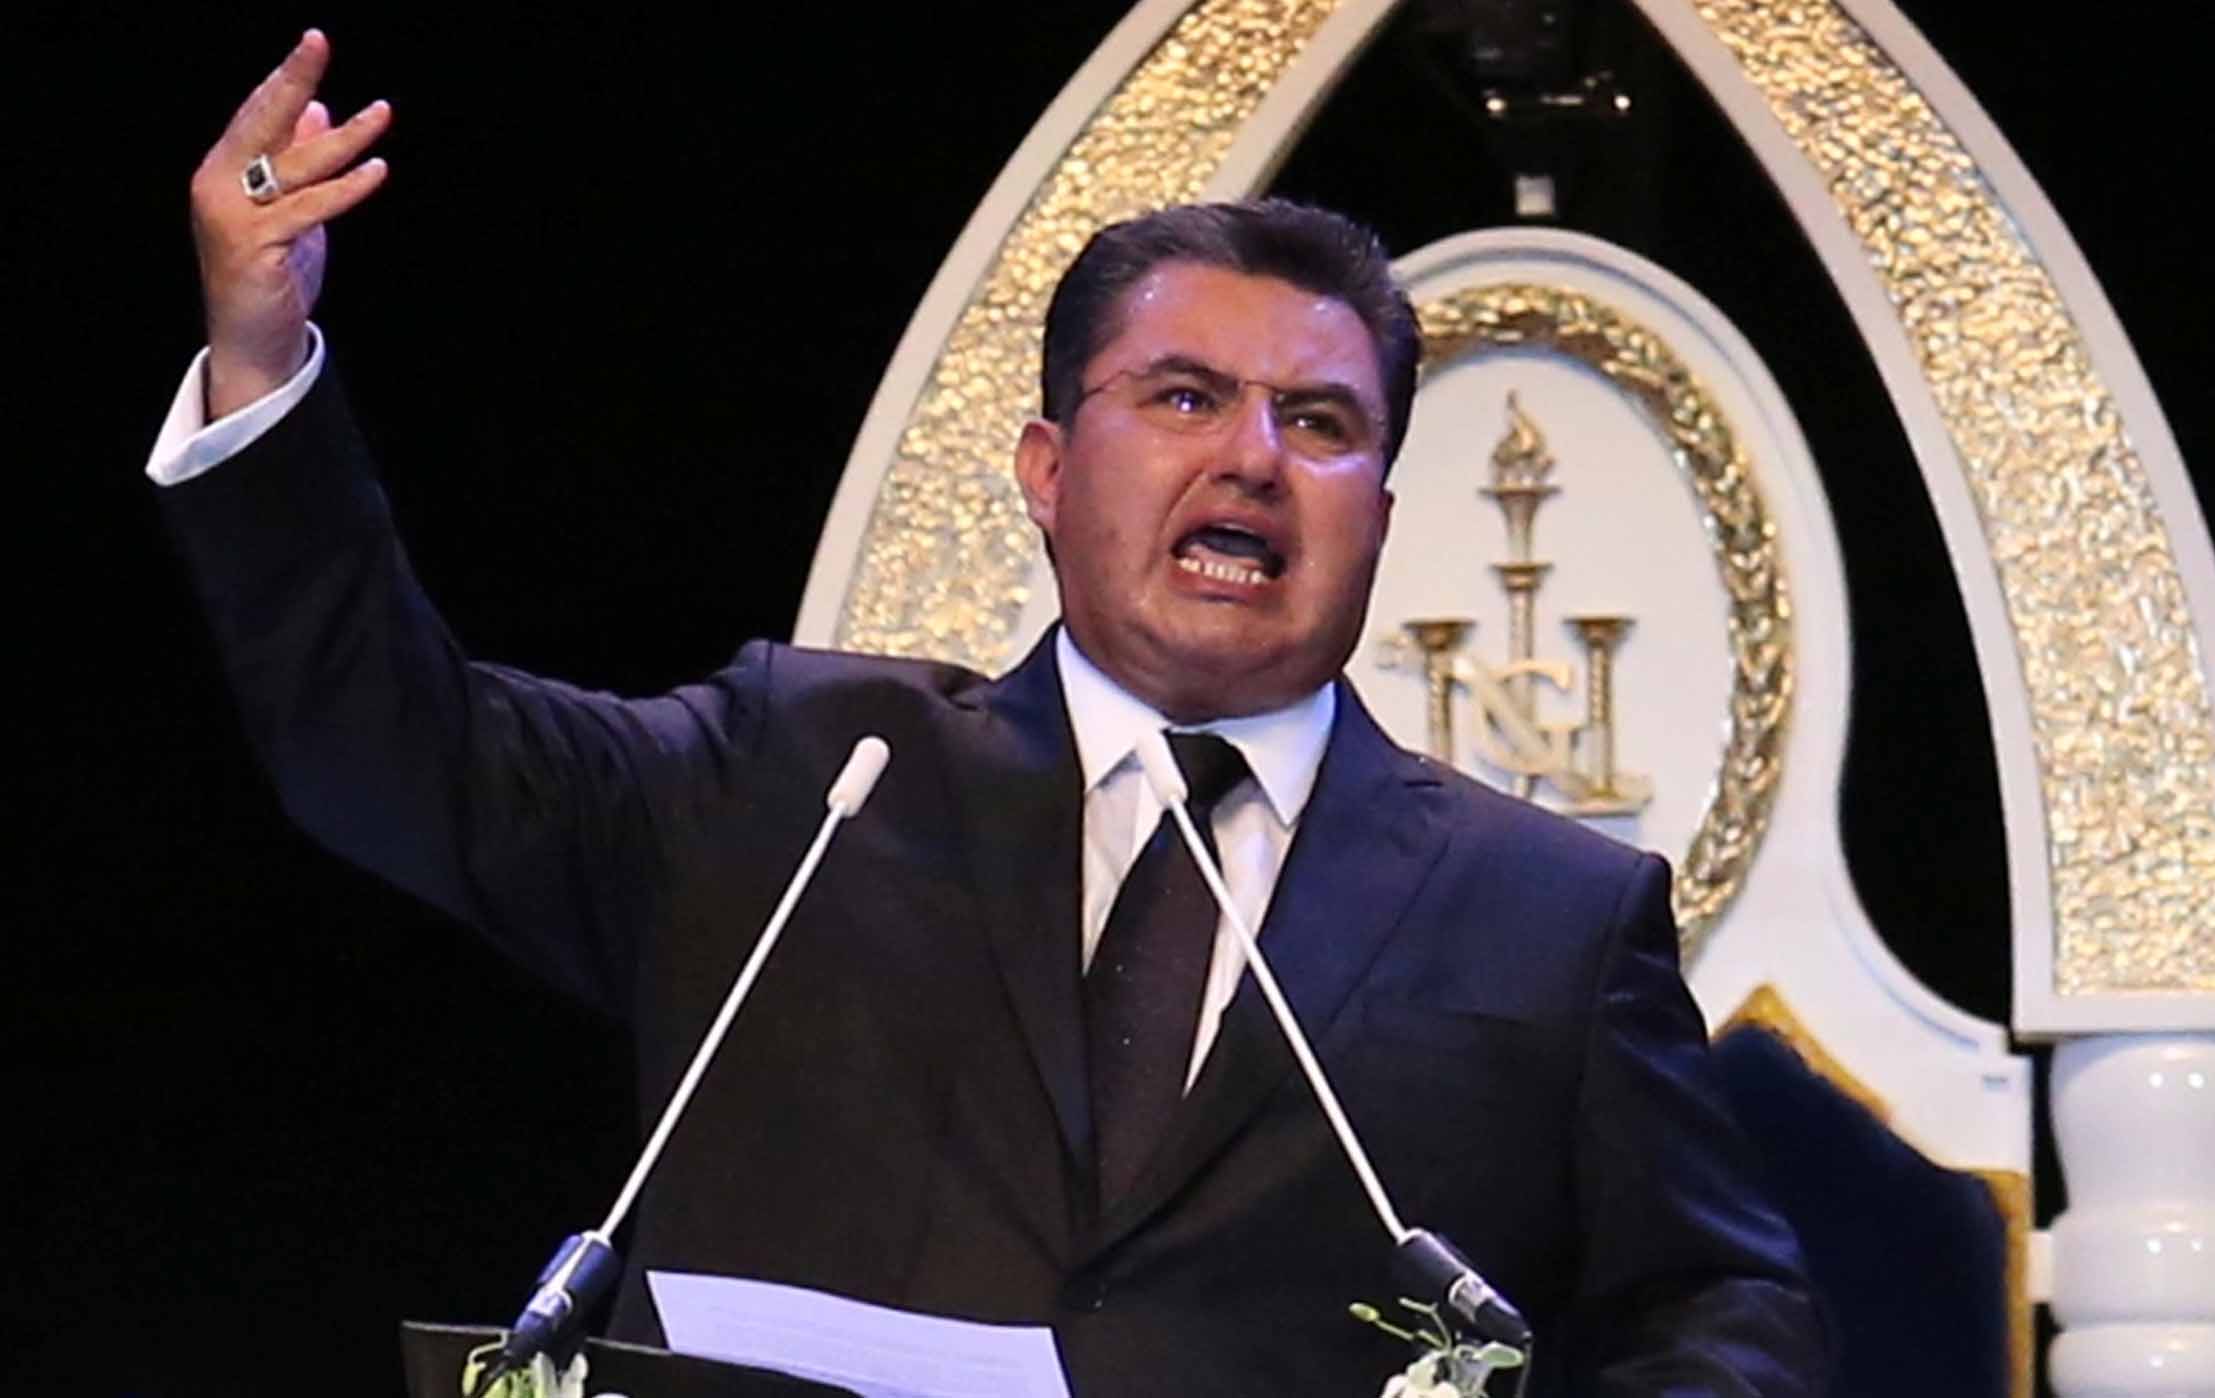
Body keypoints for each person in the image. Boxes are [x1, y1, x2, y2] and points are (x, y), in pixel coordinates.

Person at [158, 31, 1830, 1396]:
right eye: (1185, 396)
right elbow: (394, 751)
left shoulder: (1548, 917)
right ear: (1045, 469)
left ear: (1381, 514)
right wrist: (261, 356)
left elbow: (1725, 1310)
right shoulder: (804, 778)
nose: (1253, 456)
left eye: (1320, 423)